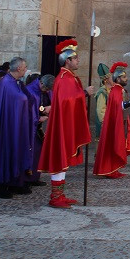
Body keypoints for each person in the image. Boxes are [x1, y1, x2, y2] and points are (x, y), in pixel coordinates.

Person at [38, 39, 93, 208]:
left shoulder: (70, 77)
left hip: (69, 123)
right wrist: (84, 92)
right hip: (62, 126)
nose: (78, 60)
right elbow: (65, 100)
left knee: (65, 159)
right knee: (60, 157)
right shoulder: (63, 78)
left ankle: (60, 194)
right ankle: (55, 197)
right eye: (75, 58)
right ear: (67, 61)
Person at [0, 57, 36, 199]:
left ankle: (15, 182)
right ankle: (3, 185)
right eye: (25, 67)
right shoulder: (7, 84)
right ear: (18, 68)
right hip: (8, 126)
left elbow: (26, 98)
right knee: (7, 151)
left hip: (17, 124)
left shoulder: (16, 82)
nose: (26, 69)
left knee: (17, 150)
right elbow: (18, 100)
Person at [94, 62, 130, 178]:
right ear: (118, 78)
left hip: (118, 121)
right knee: (110, 146)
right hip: (111, 123)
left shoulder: (117, 90)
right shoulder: (114, 91)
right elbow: (119, 106)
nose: (126, 78)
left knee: (116, 145)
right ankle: (108, 169)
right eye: (124, 77)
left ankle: (114, 168)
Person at [25, 74, 54, 186]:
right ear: (41, 83)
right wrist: (38, 118)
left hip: (39, 126)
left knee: (38, 152)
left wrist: (49, 108)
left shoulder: (45, 91)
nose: (46, 91)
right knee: (30, 152)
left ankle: (34, 177)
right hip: (31, 126)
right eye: (45, 88)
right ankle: (27, 178)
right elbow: (27, 112)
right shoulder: (30, 91)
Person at [93, 63, 111, 139]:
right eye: (110, 77)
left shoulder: (110, 90)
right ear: (106, 80)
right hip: (104, 124)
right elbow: (100, 110)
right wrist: (105, 123)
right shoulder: (102, 92)